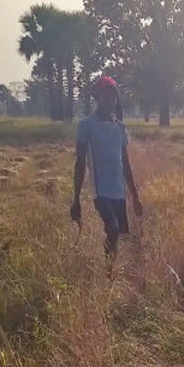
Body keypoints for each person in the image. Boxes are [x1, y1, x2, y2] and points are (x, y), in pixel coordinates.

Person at [70, 76, 142, 273]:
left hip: (119, 191)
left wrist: (135, 197)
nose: (110, 100)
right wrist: (76, 199)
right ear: (97, 98)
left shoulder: (119, 128)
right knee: (113, 227)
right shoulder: (86, 126)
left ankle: (109, 271)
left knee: (116, 234)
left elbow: (126, 164)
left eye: (113, 96)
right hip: (100, 191)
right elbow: (80, 164)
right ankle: (108, 272)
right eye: (105, 96)